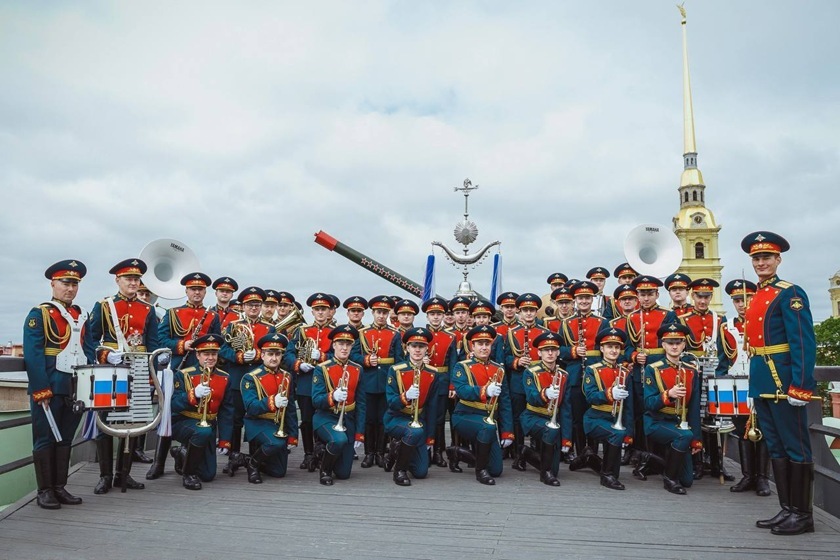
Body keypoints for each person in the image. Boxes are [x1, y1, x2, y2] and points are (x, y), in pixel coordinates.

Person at [741, 231, 816, 535]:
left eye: (766, 258)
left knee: (796, 447)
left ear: (778, 259)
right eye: (756, 258)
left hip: (784, 380)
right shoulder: (758, 294)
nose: (761, 263)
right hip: (762, 378)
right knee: (777, 447)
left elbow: (803, 342)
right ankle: (787, 509)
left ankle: (803, 514)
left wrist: (801, 385)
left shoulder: (790, 293)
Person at [83, 258, 163, 494]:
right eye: (128, 278)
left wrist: (152, 374)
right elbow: (90, 340)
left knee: (132, 423)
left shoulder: (148, 309)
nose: (133, 282)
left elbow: (153, 344)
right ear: (117, 280)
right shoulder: (104, 306)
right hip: (110, 370)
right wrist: (105, 355)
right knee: (105, 422)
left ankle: (123, 475)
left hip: (138, 369)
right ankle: (105, 476)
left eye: (136, 279)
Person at [23, 260, 88, 509]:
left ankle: (60, 487)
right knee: (44, 439)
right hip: (49, 385)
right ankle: (45, 491)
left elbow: (89, 348)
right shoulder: (39, 314)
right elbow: (33, 353)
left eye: (74, 284)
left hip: (74, 386)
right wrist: (41, 388)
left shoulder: (81, 315)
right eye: (65, 283)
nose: (69, 288)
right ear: (53, 284)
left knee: (65, 439)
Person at [148, 272, 221, 480]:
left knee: (200, 411)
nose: (196, 292)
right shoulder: (172, 314)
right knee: (168, 415)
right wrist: (182, 345)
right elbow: (160, 340)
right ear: (186, 291)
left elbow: (217, 343)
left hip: (203, 372)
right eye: (192, 289)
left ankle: (189, 454)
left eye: (200, 289)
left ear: (205, 292)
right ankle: (158, 463)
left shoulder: (213, 316)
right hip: (178, 370)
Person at [216, 287, 276, 476]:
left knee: (256, 418)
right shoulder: (233, 326)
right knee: (235, 420)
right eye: (250, 305)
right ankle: (233, 457)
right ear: (243, 306)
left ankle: (254, 458)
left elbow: (274, 351)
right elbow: (223, 351)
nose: (254, 308)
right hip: (237, 379)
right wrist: (240, 356)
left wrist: (257, 354)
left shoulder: (268, 328)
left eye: (257, 305)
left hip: (260, 381)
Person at [719, 278, 770, 496]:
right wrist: (721, 384)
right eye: (738, 300)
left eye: (746, 299)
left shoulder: (764, 323)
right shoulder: (726, 327)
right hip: (736, 382)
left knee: (764, 430)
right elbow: (723, 361)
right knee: (742, 430)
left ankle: (763, 479)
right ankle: (748, 475)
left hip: (760, 381)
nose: (742, 304)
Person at [643, 323, 702, 495]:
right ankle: (669, 479)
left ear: (684, 344)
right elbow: (648, 404)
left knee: (687, 481)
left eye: (678, 342)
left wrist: (697, 439)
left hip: (679, 424)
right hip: (657, 421)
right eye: (670, 342)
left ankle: (655, 460)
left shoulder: (691, 370)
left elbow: (694, 407)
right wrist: (668, 394)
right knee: (684, 436)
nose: (674, 346)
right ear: (663, 345)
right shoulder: (652, 369)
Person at [169, 334, 234, 490]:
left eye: (214, 354)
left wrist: (225, 440)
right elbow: (173, 405)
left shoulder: (225, 377)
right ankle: (188, 474)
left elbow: (227, 411)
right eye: (206, 354)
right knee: (202, 432)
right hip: (183, 422)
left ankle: (181, 453)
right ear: (197, 355)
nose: (210, 358)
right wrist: (193, 394)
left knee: (208, 475)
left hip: (208, 424)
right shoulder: (184, 374)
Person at [452, 325, 514, 485]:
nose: (484, 347)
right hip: (465, 415)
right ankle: (480, 471)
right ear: (473, 346)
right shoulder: (462, 366)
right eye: (480, 344)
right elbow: (462, 390)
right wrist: (485, 391)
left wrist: (507, 431)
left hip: (488, 421)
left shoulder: (498, 368)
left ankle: (457, 452)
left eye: (487, 343)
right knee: (487, 428)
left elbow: (505, 401)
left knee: (496, 470)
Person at [559, 281, 609, 471]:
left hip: (597, 373)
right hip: (574, 374)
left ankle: (594, 453)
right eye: (580, 298)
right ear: (575, 301)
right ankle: (581, 453)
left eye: (587, 298)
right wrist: (572, 351)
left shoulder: (602, 322)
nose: (584, 301)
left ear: (592, 299)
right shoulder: (565, 323)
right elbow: (558, 349)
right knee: (577, 416)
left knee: (595, 412)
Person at [623, 275, 670, 471]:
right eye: (642, 294)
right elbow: (624, 347)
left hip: (660, 371)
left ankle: (659, 456)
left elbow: (674, 343)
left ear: (657, 294)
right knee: (639, 412)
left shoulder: (667, 316)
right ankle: (640, 453)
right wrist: (634, 356)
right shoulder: (631, 317)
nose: (646, 298)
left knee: (659, 411)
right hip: (638, 372)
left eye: (650, 294)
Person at [384, 327, 441, 486]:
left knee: (421, 472)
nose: (417, 350)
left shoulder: (433, 373)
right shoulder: (395, 370)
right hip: (396, 418)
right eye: (414, 346)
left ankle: (397, 450)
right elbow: (391, 403)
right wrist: (405, 397)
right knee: (414, 431)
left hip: (419, 422)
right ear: (407, 348)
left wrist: (430, 437)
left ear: (426, 349)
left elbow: (432, 407)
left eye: (421, 346)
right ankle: (399, 471)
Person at [285, 293, 335, 471]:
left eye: (324, 309)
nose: (320, 312)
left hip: (327, 381)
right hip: (306, 380)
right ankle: (308, 453)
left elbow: (343, 355)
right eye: (317, 309)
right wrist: (299, 364)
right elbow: (288, 353)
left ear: (329, 311)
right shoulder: (302, 331)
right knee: (306, 419)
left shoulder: (335, 332)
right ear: (312, 311)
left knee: (322, 417)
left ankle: (321, 452)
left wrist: (322, 356)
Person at [241, 333, 299, 483]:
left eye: (277, 354)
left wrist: (293, 435)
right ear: (262, 355)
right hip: (258, 423)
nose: (274, 358)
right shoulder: (250, 377)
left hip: (277, 424)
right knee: (276, 443)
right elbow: (251, 408)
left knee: (279, 472)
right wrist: (272, 401)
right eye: (270, 354)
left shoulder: (287, 376)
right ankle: (253, 465)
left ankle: (246, 459)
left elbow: (291, 408)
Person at [312, 325, 366, 485]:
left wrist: (360, 432)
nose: (344, 348)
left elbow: (362, 403)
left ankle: (324, 452)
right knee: (339, 440)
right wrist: (332, 396)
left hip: (348, 419)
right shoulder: (321, 368)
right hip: (326, 417)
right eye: (340, 343)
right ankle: (325, 469)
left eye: (348, 344)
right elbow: (316, 400)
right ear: (334, 345)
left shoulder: (357, 369)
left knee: (344, 474)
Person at [582, 328, 634, 490]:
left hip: (615, 418)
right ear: (602, 349)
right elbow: (590, 396)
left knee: (618, 434)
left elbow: (629, 406)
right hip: (595, 418)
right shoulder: (592, 369)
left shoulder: (625, 372)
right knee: (615, 433)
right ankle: (606, 477)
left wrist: (629, 433)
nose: (613, 350)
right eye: (609, 346)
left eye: (617, 347)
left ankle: (590, 460)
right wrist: (610, 393)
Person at [520, 332, 572, 486]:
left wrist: (566, 439)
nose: (550, 353)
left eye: (553, 350)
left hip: (552, 421)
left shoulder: (564, 375)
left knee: (555, 468)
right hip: (532, 417)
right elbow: (531, 396)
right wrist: (545, 393)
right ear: (539, 353)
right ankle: (545, 474)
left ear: (558, 352)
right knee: (551, 431)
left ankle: (526, 453)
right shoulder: (530, 372)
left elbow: (566, 408)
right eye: (545, 350)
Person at [503, 293, 549, 465]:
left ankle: (536, 451)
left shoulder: (544, 333)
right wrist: (517, 361)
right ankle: (518, 452)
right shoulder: (511, 333)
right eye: (525, 310)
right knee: (517, 416)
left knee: (539, 414)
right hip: (518, 380)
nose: (528, 314)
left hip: (540, 380)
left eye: (531, 310)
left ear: (536, 311)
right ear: (519, 312)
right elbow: (505, 358)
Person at [421, 297, 456, 468]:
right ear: (427, 316)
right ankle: (425, 451)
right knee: (425, 416)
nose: (435, 317)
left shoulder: (450, 336)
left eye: (438, 314)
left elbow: (453, 363)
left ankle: (438, 451)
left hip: (442, 381)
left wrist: (452, 385)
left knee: (440, 419)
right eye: (432, 314)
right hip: (424, 381)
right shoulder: (419, 335)